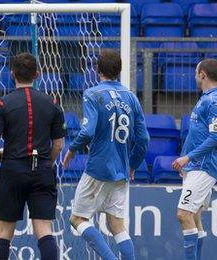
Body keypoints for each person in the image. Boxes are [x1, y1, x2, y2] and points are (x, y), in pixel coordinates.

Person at [62, 50, 149, 260]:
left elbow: (88, 131)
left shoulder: (93, 94)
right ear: (119, 71)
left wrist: (72, 150)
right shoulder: (131, 97)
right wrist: (133, 164)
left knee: (77, 219)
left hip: (98, 168)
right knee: (116, 225)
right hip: (121, 169)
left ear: (97, 69)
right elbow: (144, 138)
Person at [0, 52, 66, 260]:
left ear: (12, 74)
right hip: (42, 170)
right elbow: (58, 144)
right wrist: (47, 162)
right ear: (37, 74)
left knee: (3, 232)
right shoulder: (52, 103)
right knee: (45, 230)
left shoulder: (3, 104)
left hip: (13, 169)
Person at [171, 58, 217, 260]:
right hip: (195, 166)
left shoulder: (215, 101)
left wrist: (187, 157)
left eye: (196, 72)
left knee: (183, 214)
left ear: (202, 74)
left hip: (203, 166)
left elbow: (215, 138)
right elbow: (197, 134)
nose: (195, 76)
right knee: (195, 216)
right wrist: (187, 163)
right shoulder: (206, 98)